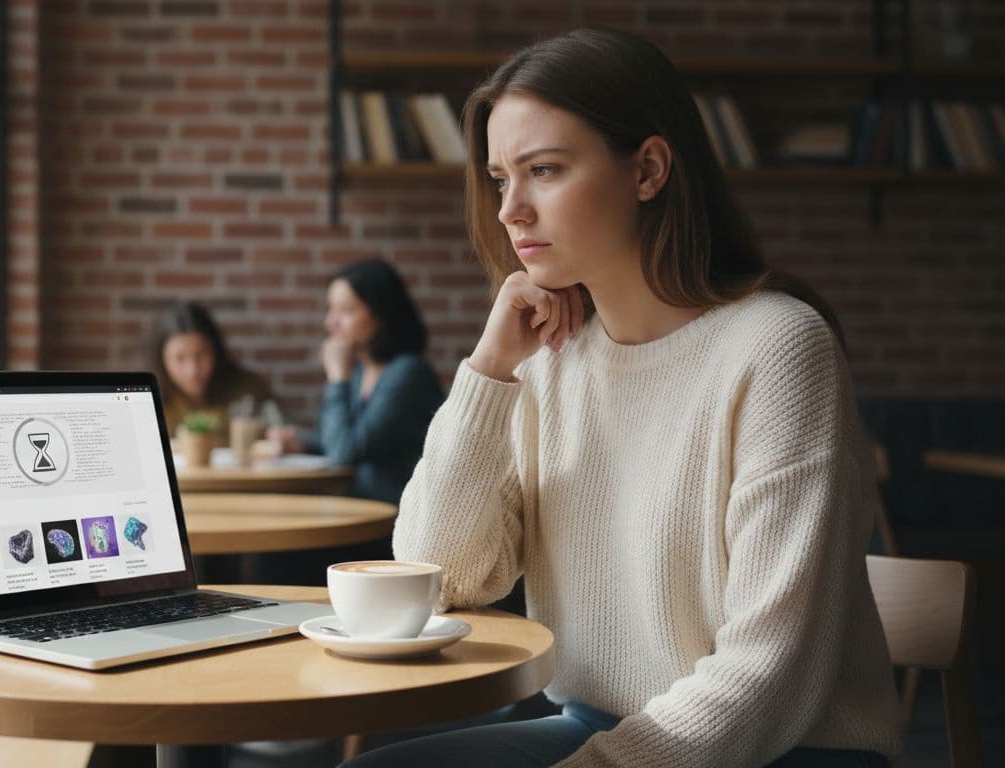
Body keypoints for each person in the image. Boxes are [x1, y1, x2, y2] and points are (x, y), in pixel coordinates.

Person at [346, 28, 901, 768]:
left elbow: (767, 670)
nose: (511, 209)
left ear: (647, 169)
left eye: (543, 169)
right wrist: (490, 370)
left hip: (779, 747)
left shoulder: (776, 348)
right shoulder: (550, 357)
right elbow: (444, 575)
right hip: (597, 726)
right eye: (499, 177)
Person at [273, 258, 445, 504]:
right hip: (360, 512)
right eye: (330, 310)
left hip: (394, 523)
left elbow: (344, 453)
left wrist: (336, 378)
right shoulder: (360, 372)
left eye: (345, 311)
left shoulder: (408, 374)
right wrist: (303, 444)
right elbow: (346, 441)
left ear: (380, 314)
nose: (330, 323)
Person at [149, 300, 273, 443]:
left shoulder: (248, 389)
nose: (192, 370)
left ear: (215, 351)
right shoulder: (149, 401)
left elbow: (278, 430)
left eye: (201, 355)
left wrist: (282, 439)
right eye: (180, 358)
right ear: (162, 359)